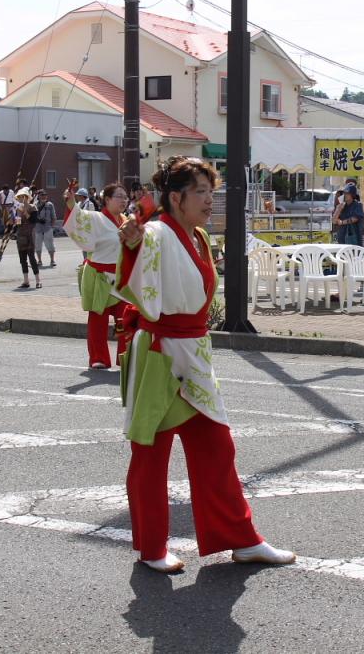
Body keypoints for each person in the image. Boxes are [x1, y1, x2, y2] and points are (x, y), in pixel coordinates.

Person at [116, 156, 295, 573]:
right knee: (151, 453)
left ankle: (241, 538)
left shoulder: (195, 234)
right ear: (176, 197)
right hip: (161, 351)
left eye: (210, 191)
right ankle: (152, 546)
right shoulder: (157, 232)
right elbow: (139, 256)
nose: (209, 199)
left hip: (193, 351)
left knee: (217, 447)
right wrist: (132, 243)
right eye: (201, 191)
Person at [64, 182, 129, 369]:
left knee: (124, 318)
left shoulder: (127, 220)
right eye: (119, 196)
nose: (123, 200)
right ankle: (98, 357)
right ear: (107, 199)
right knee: (98, 320)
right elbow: (78, 217)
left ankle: (125, 355)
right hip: (99, 274)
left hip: (121, 277)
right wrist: (70, 202)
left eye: (125, 197)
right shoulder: (96, 218)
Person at [13, 188, 41, 289]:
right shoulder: (18, 208)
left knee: (32, 258)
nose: (21, 199)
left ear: (27, 197)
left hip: (30, 235)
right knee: (22, 259)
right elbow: (18, 223)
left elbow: (33, 220)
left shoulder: (33, 208)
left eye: (22, 197)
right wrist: (16, 219)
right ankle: (26, 280)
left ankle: (38, 280)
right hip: (21, 235)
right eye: (19, 197)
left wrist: (25, 211)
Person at [34, 190, 58, 268]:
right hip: (38, 228)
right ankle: (39, 261)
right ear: (38, 196)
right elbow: (33, 217)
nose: (44, 196)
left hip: (48, 227)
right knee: (38, 245)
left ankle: (52, 260)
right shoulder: (35, 205)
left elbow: (53, 217)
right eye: (42, 195)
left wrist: (52, 227)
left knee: (50, 244)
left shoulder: (50, 205)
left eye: (45, 195)